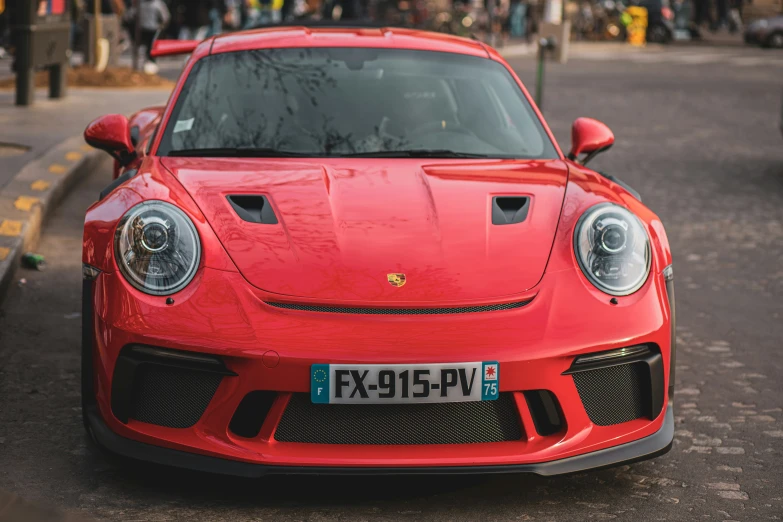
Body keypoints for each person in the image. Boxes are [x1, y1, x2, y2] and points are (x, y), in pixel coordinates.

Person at [127, 0, 170, 74]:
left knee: (151, 50)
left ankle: (150, 68)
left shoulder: (157, 3)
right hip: (142, 30)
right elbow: (130, 14)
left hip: (153, 30)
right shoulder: (140, 3)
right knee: (142, 50)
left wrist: (161, 26)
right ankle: (141, 68)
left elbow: (165, 17)